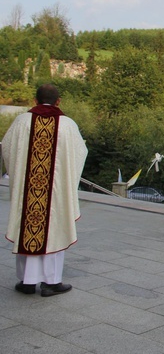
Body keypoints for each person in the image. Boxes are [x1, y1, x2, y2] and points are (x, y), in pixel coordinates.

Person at [2, 84, 88, 297]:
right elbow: (80, 153)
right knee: (54, 231)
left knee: (29, 226)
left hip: (29, 192)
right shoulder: (67, 125)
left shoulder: (22, 122)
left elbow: (7, 148)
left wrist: (21, 175)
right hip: (56, 193)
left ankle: (27, 281)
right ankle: (51, 282)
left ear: (35, 100)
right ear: (58, 101)